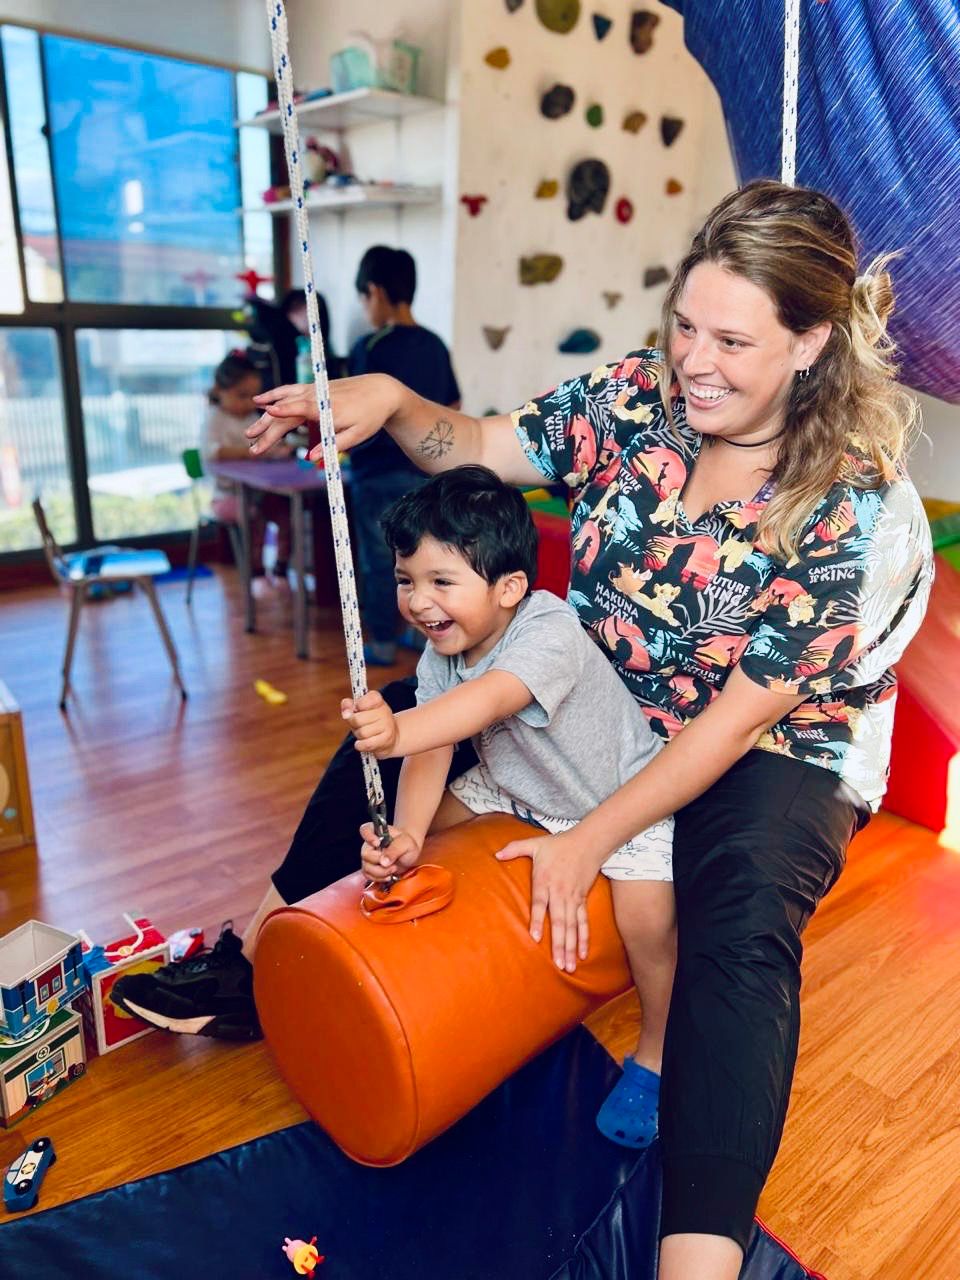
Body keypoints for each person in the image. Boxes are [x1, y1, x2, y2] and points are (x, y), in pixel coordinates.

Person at [118, 181, 933, 1280]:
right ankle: (256, 950)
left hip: (774, 737)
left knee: (736, 907)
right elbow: (485, 442)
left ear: (811, 342)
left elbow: (735, 722)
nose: (694, 357)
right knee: (399, 721)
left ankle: (698, 1255)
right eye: (685, 323)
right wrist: (393, 400)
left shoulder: (853, 502)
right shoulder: (641, 396)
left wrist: (588, 838)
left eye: (731, 339)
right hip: (603, 690)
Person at [344, 465, 675, 1147]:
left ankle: (658, 1052)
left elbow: (491, 698)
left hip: (614, 800)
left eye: (441, 582)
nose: (418, 601)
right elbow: (433, 749)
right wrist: (406, 833)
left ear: (509, 589)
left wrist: (400, 726)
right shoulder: (444, 651)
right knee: (423, 830)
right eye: (407, 581)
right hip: (518, 785)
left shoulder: (547, 626)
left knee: (647, 920)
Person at [347, 245, 462, 666]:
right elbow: (453, 406)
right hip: (427, 476)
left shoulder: (370, 347)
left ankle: (380, 641)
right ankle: (420, 635)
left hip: (377, 475)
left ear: (375, 291)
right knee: (423, 560)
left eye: (364, 298)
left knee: (380, 562)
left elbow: (351, 411)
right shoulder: (434, 344)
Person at [202, 350, 292, 591]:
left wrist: (279, 448)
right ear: (220, 391)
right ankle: (255, 569)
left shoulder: (253, 416)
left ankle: (282, 565)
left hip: (258, 491)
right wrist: (252, 450)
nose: (248, 402)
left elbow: (270, 443)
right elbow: (213, 452)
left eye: (253, 396)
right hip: (226, 496)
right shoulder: (215, 419)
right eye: (241, 395)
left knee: (286, 513)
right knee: (254, 517)